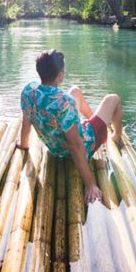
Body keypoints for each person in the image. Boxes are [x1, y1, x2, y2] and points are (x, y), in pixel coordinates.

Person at [18, 49, 123, 204]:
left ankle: (94, 120)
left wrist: (23, 144)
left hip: (54, 147)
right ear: (60, 75)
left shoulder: (28, 91)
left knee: (75, 91)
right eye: (64, 70)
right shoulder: (65, 102)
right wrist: (90, 185)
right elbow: (76, 146)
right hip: (80, 146)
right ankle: (116, 136)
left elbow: (26, 119)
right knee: (113, 99)